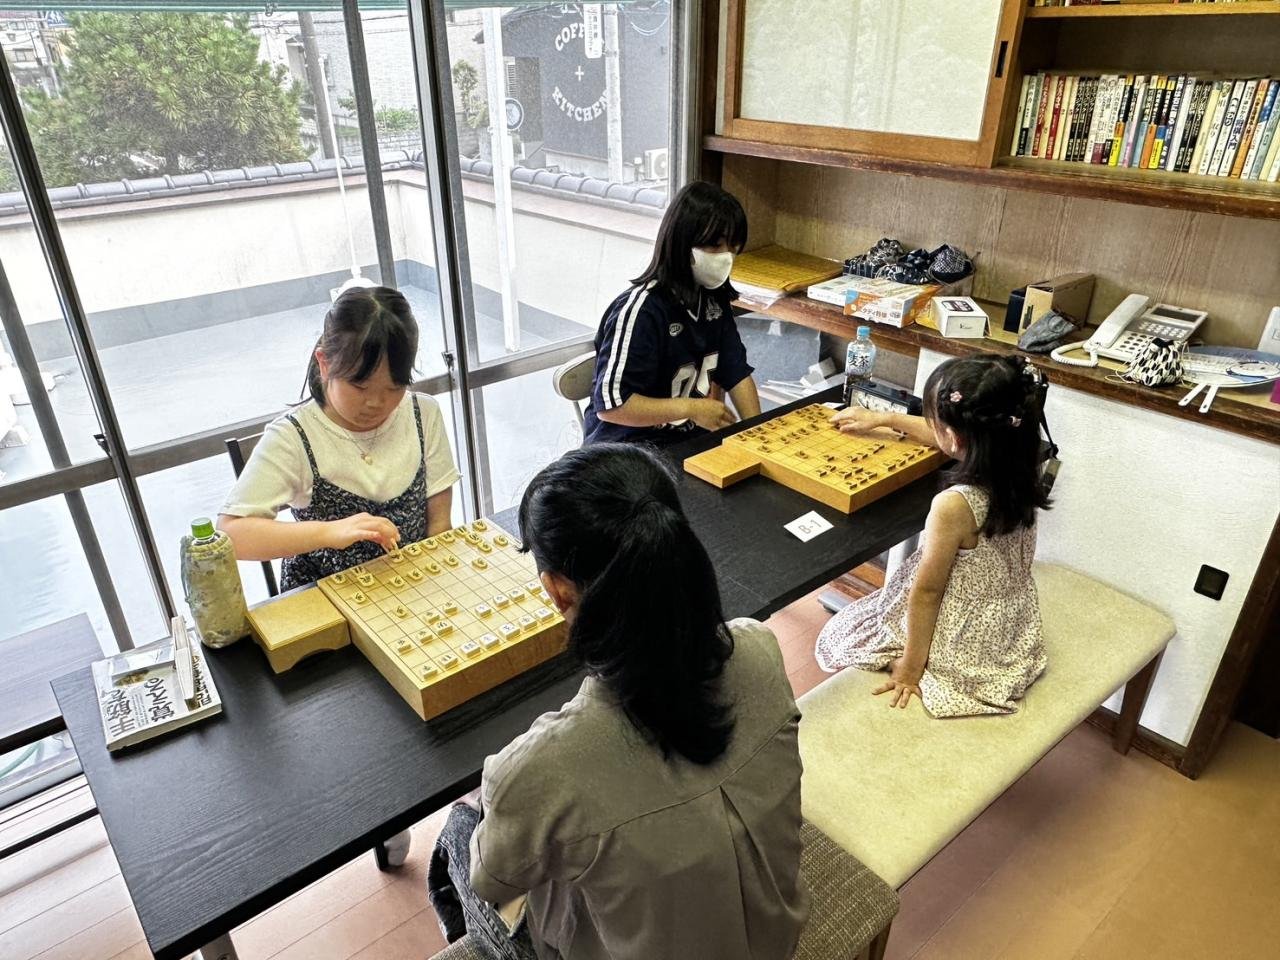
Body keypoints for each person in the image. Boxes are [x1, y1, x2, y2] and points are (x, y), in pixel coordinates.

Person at [427, 444, 807, 960]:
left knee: (457, 833)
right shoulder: (759, 648)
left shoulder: (543, 766)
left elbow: (492, 881)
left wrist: (502, 795)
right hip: (776, 936)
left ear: (557, 591)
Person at [816, 355, 1052, 717]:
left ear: (955, 437)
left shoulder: (954, 506)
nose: (931, 427)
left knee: (847, 632)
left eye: (935, 423)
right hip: (1008, 619)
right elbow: (956, 436)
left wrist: (911, 670)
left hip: (963, 635)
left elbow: (927, 593)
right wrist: (886, 418)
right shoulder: (1020, 459)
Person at [219, 284, 459, 593]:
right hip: (326, 605)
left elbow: (439, 527)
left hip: (411, 591)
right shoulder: (294, 437)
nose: (376, 403)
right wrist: (329, 532)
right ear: (324, 363)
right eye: (360, 386)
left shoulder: (423, 413)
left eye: (394, 387)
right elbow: (230, 534)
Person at [582, 181, 761, 446]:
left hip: (683, 443)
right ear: (683, 243)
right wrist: (690, 409)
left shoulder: (713, 300)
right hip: (626, 452)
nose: (726, 257)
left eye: (733, 248)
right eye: (715, 247)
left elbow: (737, 373)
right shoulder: (641, 310)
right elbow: (612, 406)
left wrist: (757, 434)